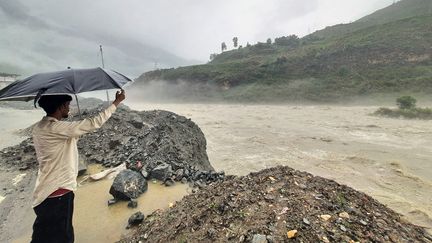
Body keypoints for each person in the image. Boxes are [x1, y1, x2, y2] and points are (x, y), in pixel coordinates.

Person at [30, 90, 126, 243]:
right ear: (61, 107)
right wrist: (116, 103)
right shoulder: (57, 129)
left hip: (43, 192)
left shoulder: (40, 127)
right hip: (58, 193)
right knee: (64, 237)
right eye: (68, 105)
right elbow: (95, 122)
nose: (69, 108)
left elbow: (63, 142)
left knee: (42, 237)